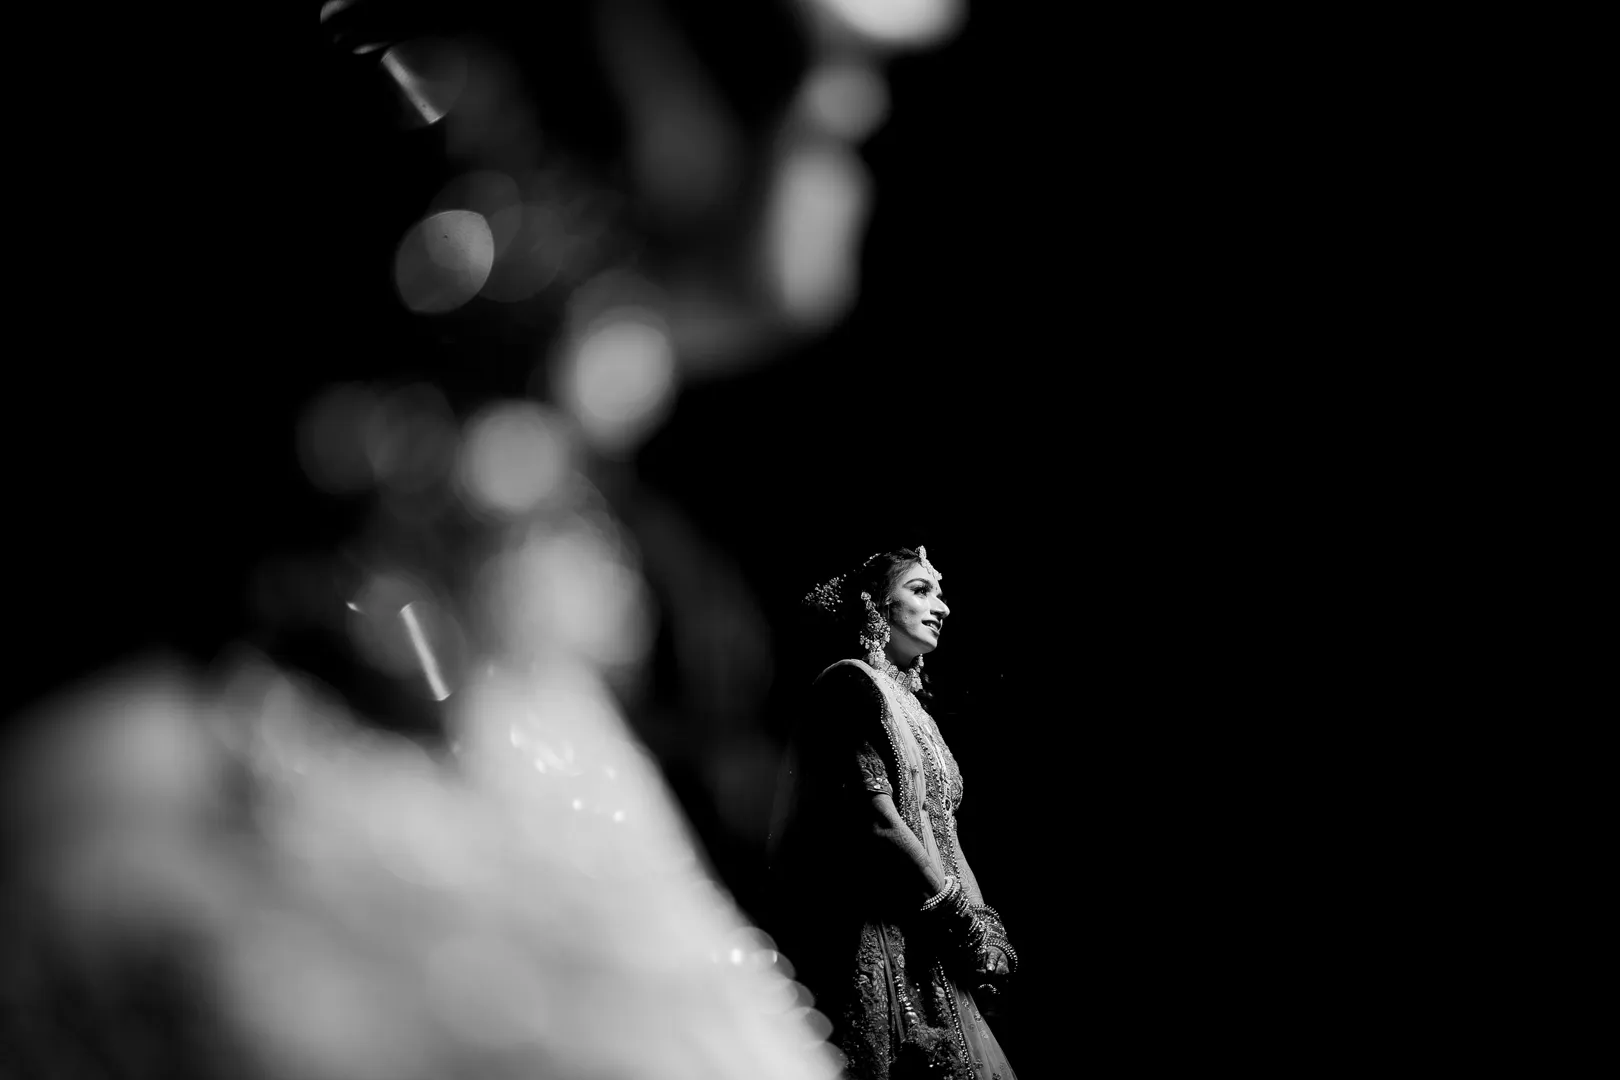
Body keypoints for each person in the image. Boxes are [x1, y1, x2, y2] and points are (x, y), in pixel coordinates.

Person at [768, 547, 1018, 1080]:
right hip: (882, 927)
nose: (941, 607)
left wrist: (986, 929)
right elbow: (878, 820)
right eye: (921, 591)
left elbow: (944, 827)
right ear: (876, 607)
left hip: (934, 931)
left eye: (940, 594)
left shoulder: (918, 713)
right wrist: (960, 920)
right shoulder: (848, 683)